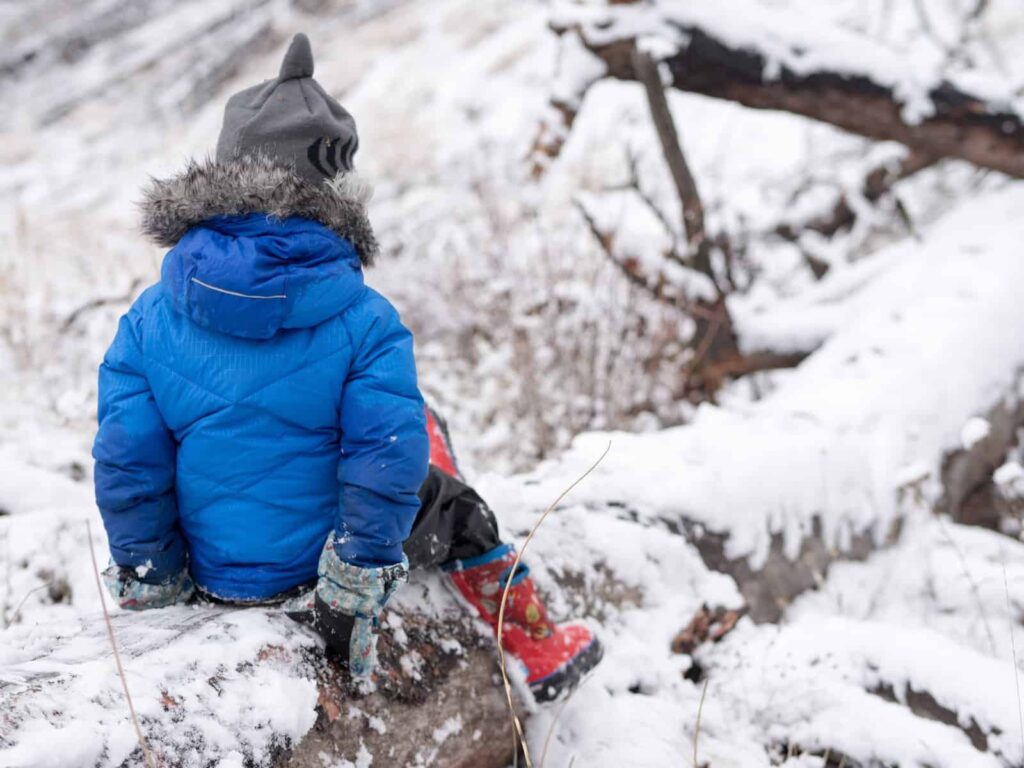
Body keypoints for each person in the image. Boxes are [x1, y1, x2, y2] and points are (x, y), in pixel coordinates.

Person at [93, 33, 601, 702]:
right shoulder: (366, 319)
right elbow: (384, 459)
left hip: (214, 570)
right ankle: (537, 649)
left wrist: (158, 583)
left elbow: (128, 461)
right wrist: (350, 589)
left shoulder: (148, 318)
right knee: (454, 500)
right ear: (336, 188)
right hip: (316, 572)